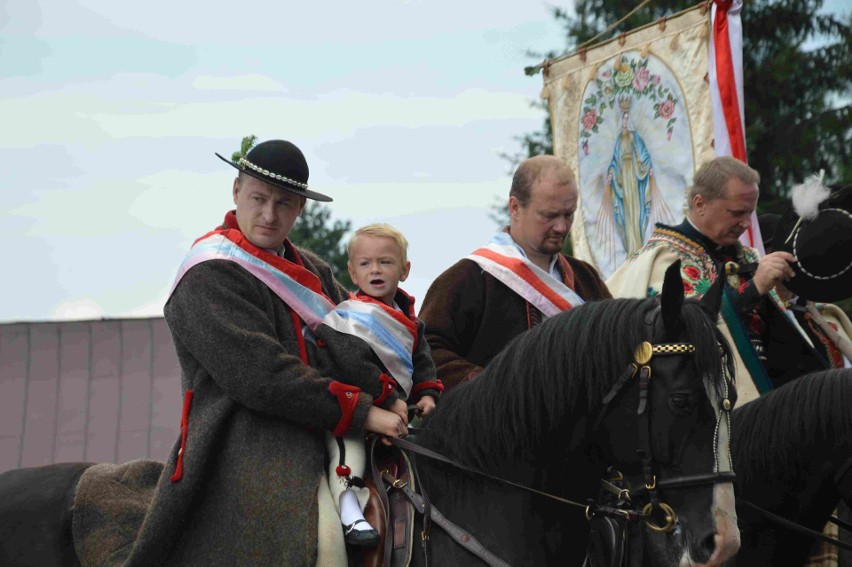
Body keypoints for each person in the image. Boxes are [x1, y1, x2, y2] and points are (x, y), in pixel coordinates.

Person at [103, 140, 409, 567]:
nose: (269, 215)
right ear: (235, 191)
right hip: (247, 442)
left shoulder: (312, 268)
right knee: (324, 544)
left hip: (328, 429)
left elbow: (357, 338)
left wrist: (397, 392)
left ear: (300, 208)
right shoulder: (209, 274)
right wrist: (364, 412)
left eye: (284, 203)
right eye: (258, 198)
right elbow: (263, 378)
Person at [607, 156, 829, 404]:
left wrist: (790, 296)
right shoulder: (662, 260)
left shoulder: (749, 256)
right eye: (736, 213)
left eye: (750, 213)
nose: (746, 224)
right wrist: (754, 288)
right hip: (706, 408)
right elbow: (681, 331)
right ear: (700, 203)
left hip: (776, 399)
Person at [419, 155, 612, 391]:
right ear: (515, 207)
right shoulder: (468, 277)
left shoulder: (586, 278)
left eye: (568, 214)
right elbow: (426, 348)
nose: (561, 227)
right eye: (549, 215)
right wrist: (485, 385)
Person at [309, 224, 442, 547]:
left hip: (399, 416)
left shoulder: (409, 320)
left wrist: (426, 391)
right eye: (366, 264)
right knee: (346, 449)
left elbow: (421, 358)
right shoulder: (349, 318)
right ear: (353, 273)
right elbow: (355, 365)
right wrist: (389, 396)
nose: (376, 270)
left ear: (405, 270)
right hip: (356, 409)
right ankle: (350, 508)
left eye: (385, 262)